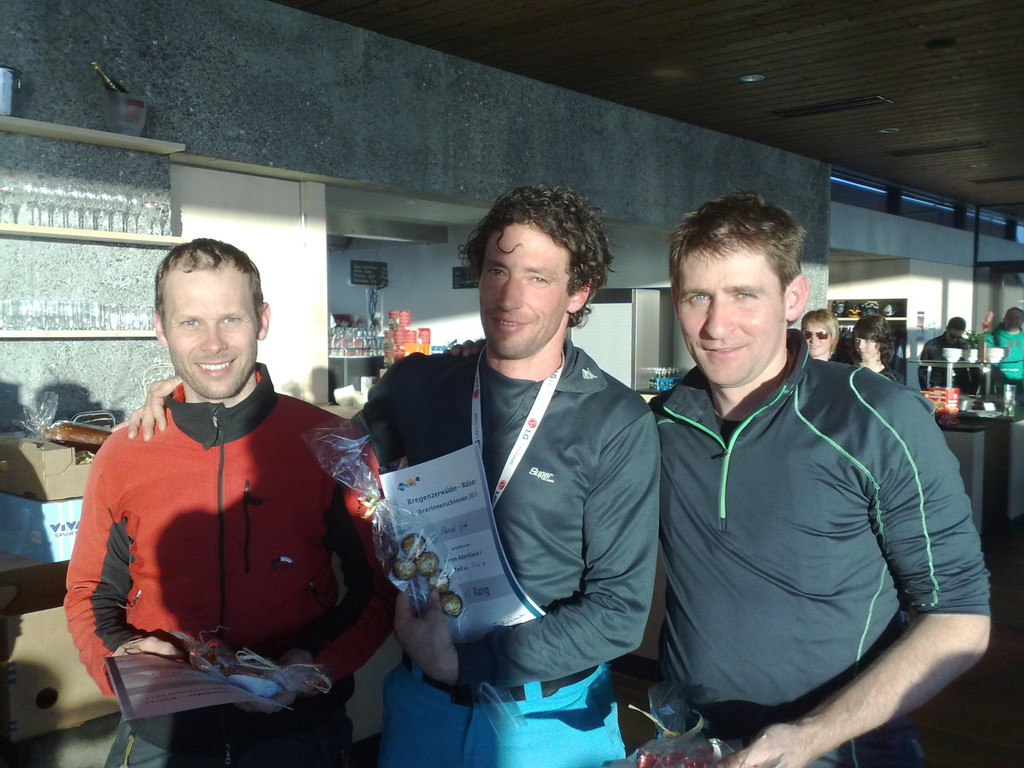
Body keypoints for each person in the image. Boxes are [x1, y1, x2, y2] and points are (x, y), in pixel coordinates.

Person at [652, 191, 990, 768]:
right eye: (697, 297)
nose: (716, 325)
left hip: (842, 749)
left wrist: (808, 736)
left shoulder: (876, 418)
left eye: (744, 295)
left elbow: (960, 618)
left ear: (793, 298)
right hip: (694, 744)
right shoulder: (660, 425)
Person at [358, 185, 660, 768]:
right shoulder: (419, 386)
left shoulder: (614, 420)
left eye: (538, 277)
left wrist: (467, 662)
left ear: (579, 291)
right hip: (424, 710)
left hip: (551, 720)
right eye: (497, 270)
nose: (509, 296)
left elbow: (619, 614)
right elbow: (329, 459)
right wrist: (196, 397)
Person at [64, 238, 395, 767]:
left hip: (298, 733)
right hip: (163, 736)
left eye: (231, 319)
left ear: (262, 320)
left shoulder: (330, 444)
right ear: (161, 327)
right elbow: (88, 593)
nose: (213, 343)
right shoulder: (123, 454)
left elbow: (380, 587)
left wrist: (318, 663)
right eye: (190, 322)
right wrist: (119, 657)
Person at [918, 316, 977, 392]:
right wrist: (924, 390)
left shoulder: (966, 345)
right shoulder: (932, 345)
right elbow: (922, 370)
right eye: (952, 336)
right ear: (947, 329)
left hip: (962, 388)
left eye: (958, 337)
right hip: (938, 388)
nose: (954, 340)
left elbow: (974, 370)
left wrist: (973, 391)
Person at [852, 313, 904, 384]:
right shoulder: (848, 374)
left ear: (881, 341)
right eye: (857, 340)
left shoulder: (894, 379)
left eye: (868, 340)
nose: (860, 346)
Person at [984, 306, 1024, 393]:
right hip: (997, 384)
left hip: (1020, 385)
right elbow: (984, 360)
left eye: (1017, 318)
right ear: (1004, 319)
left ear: (1022, 321)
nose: (1014, 321)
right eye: (1010, 318)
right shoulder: (991, 337)